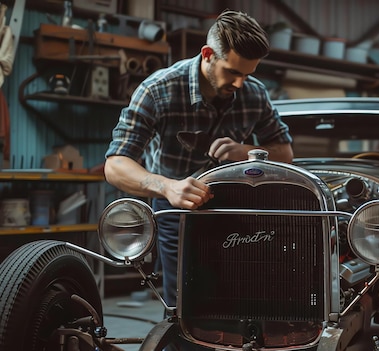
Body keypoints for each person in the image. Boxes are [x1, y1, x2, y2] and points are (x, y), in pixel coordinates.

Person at [104, 9, 293, 308]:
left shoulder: (255, 94)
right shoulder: (157, 90)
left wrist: (245, 152)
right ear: (207, 54)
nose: (240, 84)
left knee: (242, 298)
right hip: (176, 209)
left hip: (239, 207)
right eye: (232, 72)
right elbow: (115, 165)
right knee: (186, 305)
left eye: (247, 74)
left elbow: (285, 154)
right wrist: (167, 187)